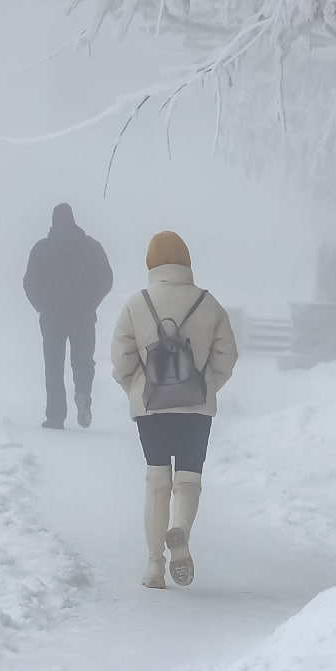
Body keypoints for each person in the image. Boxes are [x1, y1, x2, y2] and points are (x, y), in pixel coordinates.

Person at [111, 231, 238, 589]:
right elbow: (227, 357)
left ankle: (154, 567)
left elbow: (120, 359)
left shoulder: (137, 304)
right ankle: (179, 529)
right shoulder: (208, 303)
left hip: (152, 406)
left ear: (151, 262)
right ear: (186, 262)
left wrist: (136, 390)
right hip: (195, 406)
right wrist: (207, 385)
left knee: (157, 482)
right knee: (188, 479)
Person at [23, 203, 113, 430]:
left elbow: (29, 282)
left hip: (52, 317)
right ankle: (83, 394)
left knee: (53, 365)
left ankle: (55, 416)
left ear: (53, 221)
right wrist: (91, 302)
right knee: (83, 361)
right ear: (73, 219)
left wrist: (42, 306)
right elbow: (106, 279)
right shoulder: (91, 247)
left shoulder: (42, 249)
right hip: (83, 315)